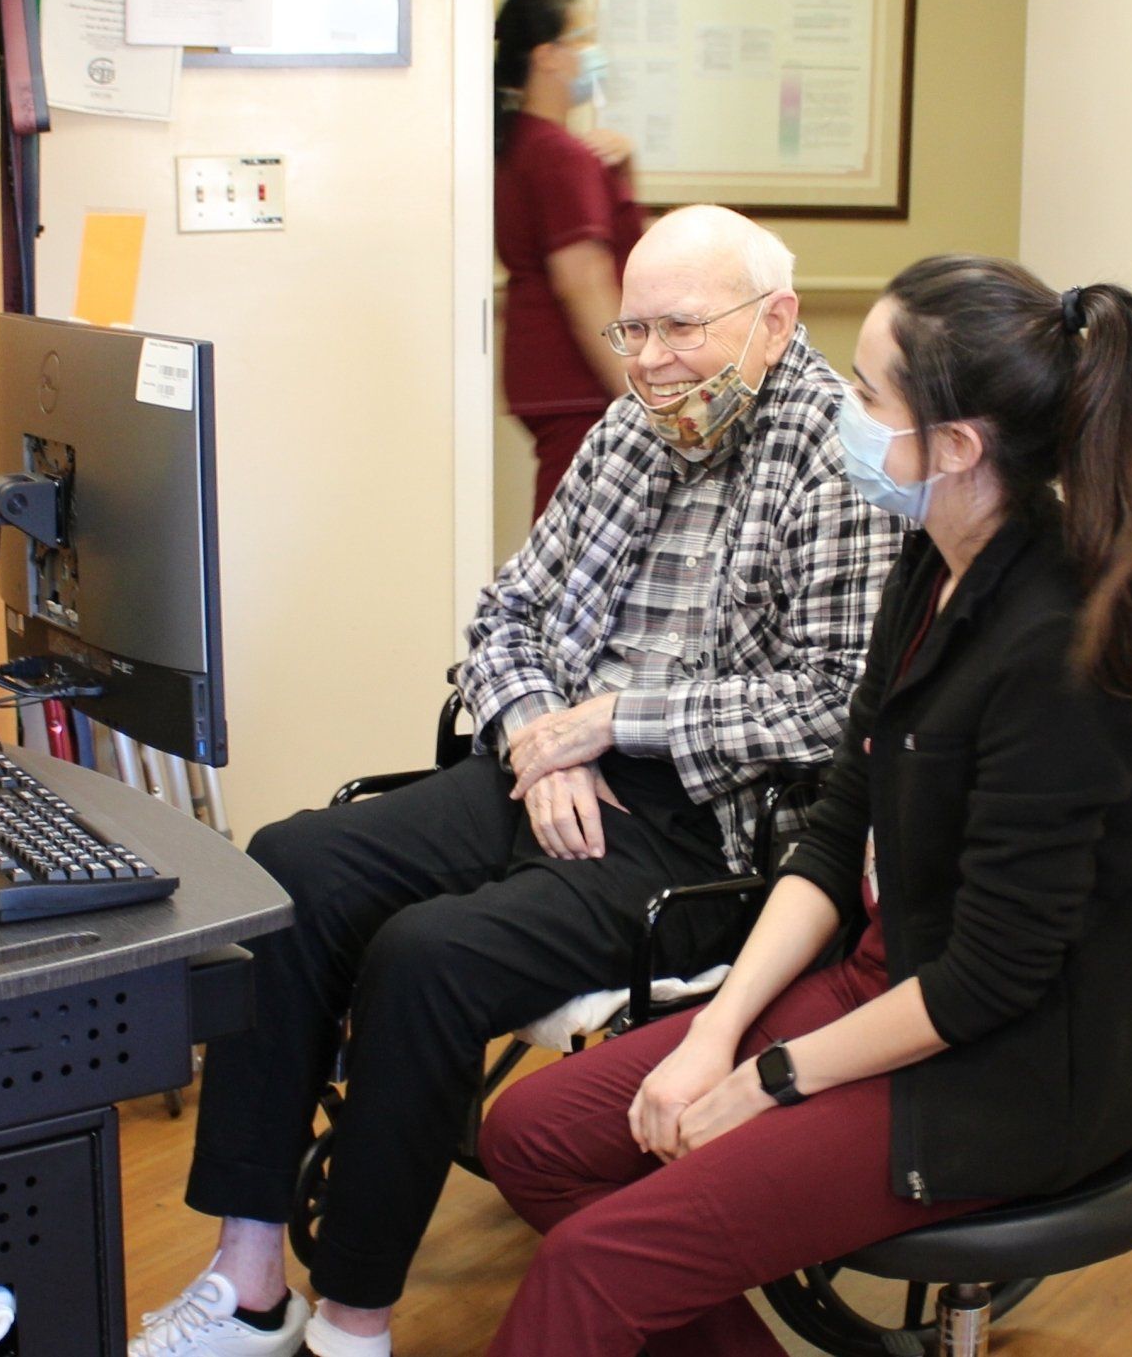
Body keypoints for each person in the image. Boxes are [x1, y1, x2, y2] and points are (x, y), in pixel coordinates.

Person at [125, 204, 907, 1357]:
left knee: (427, 957)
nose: (648, 362)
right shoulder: (635, 429)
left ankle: (353, 1315)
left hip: (706, 829)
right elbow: (508, 617)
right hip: (554, 766)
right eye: (630, 332)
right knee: (286, 868)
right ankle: (247, 1279)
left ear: (775, 319)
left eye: (680, 329)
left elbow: (831, 704)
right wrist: (544, 726)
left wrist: (615, 719)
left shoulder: (835, 460)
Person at [476, 255, 1132, 1356]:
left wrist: (764, 1084)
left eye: (870, 394)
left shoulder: (1064, 652)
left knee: (589, 1270)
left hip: (1007, 1076)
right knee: (536, 1137)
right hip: (889, 986)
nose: (843, 412)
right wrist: (719, 1032)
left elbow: (990, 979)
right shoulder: (933, 564)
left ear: (958, 446)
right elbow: (839, 827)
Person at [494, 0, 644, 519]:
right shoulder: (560, 155)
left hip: (547, 377)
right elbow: (584, 285)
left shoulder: (523, 143)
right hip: (578, 381)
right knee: (572, 547)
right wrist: (641, 391)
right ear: (546, 56)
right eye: (580, 39)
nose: (591, 52)